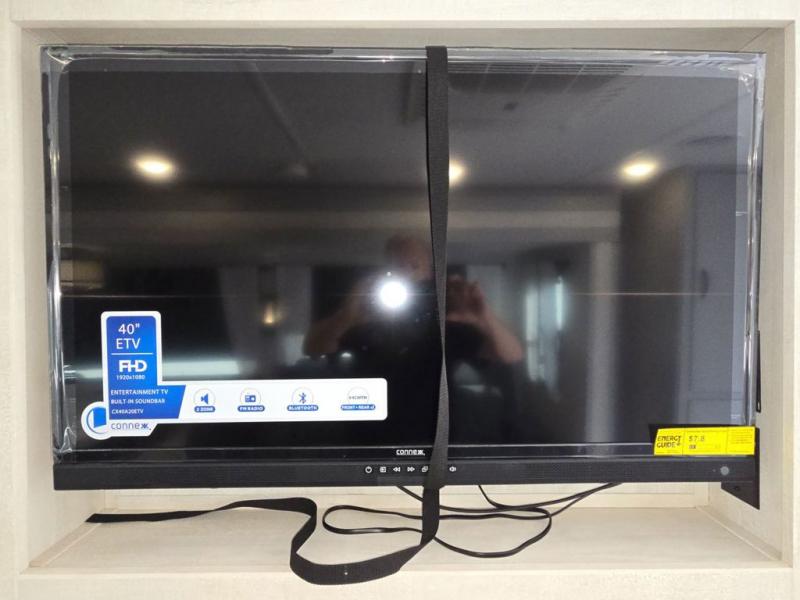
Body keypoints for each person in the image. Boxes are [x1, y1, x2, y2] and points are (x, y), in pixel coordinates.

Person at [303, 234, 523, 364]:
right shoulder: (366, 312)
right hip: (371, 420)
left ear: (430, 273)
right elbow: (313, 348)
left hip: (438, 425)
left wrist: (484, 319)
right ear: (385, 271)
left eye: (413, 266)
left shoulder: (447, 317)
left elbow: (512, 356)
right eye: (397, 266)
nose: (405, 273)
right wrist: (346, 317)